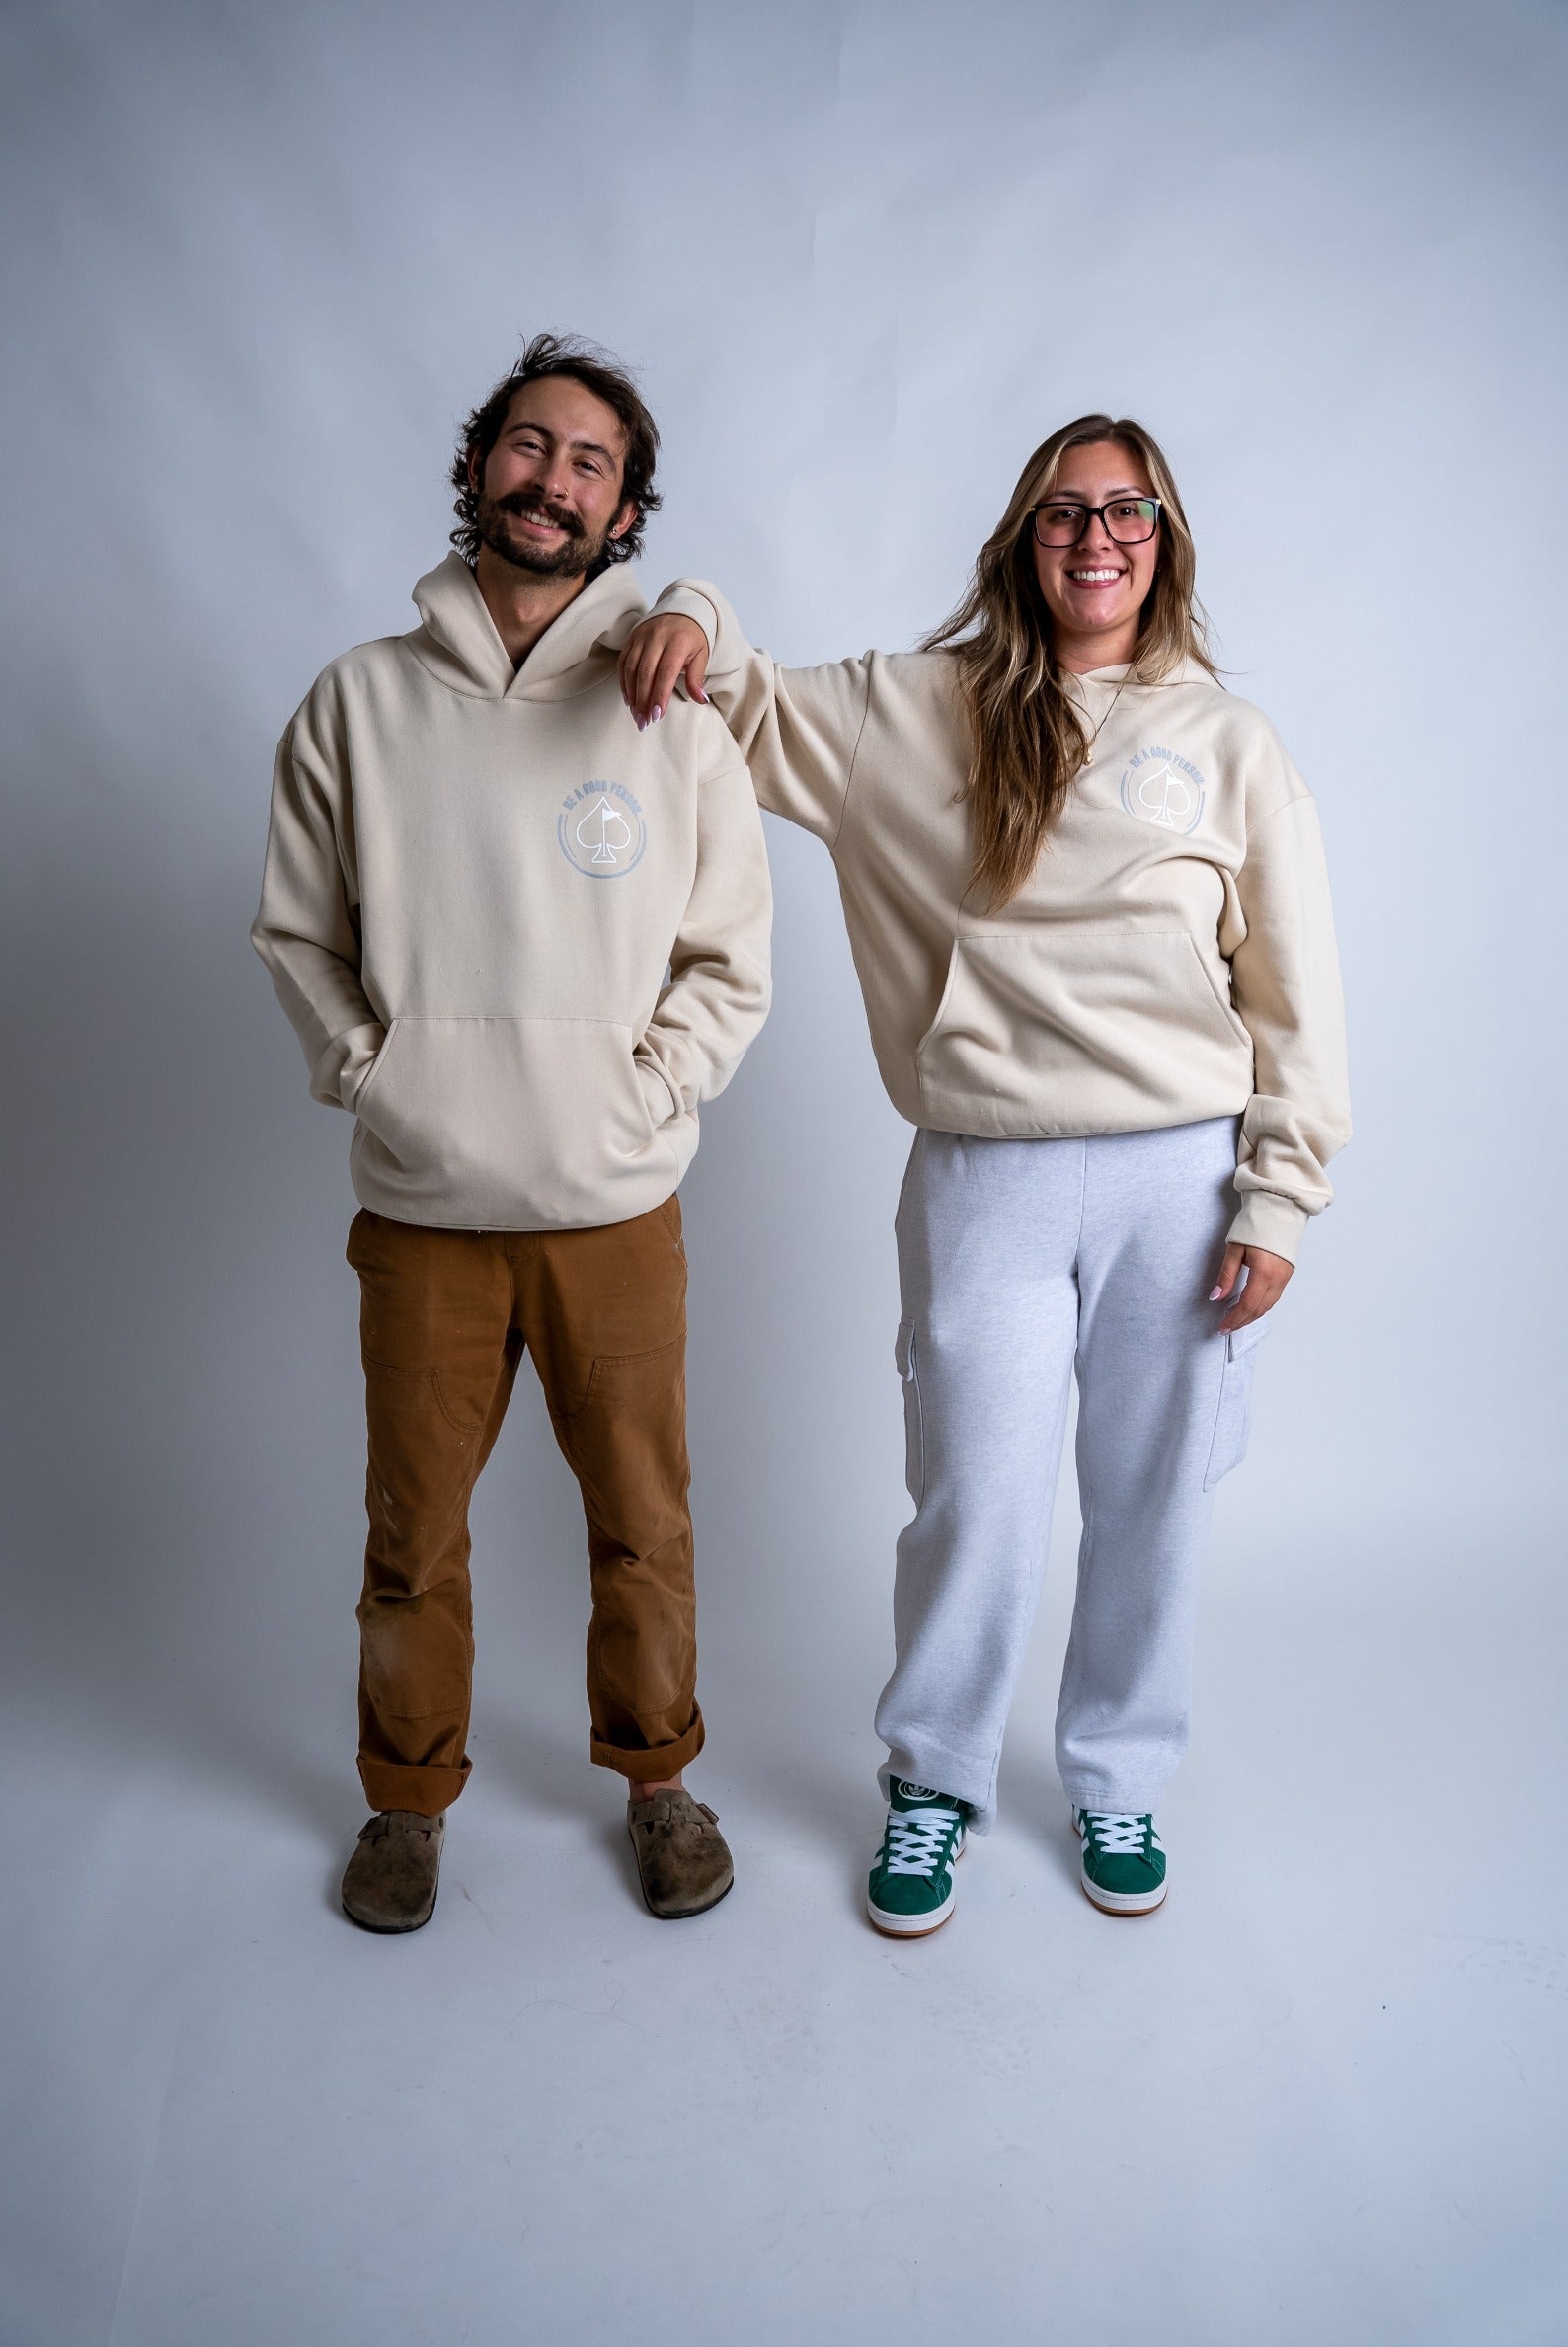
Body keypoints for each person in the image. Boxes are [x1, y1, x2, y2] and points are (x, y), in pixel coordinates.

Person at [619, 415, 1349, 1934]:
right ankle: (936, 1777)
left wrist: (1280, 1194)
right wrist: (687, 598)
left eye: (1129, 510)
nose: (1099, 537)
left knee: (1152, 1497)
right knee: (976, 1495)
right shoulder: (917, 710)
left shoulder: (1228, 742)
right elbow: (731, 697)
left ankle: (1117, 1769)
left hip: (1183, 1175)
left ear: (1167, 538)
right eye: (1067, 511)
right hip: (988, 1170)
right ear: (1026, 537)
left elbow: (1297, 995)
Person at [254, 335, 770, 1931]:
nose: (555, 480)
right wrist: (376, 1072)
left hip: (616, 1202)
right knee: (413, 1534)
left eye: (594, 463)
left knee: (644, 1524)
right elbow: (297, 934)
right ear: (482, 463)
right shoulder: (359, 698)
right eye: (532, 447)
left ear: (629, 511)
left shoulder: (670, 704)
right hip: (423, 1204)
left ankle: (660, 1776)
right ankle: (406, 1802)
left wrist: (650, 1089)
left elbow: (730, 953)